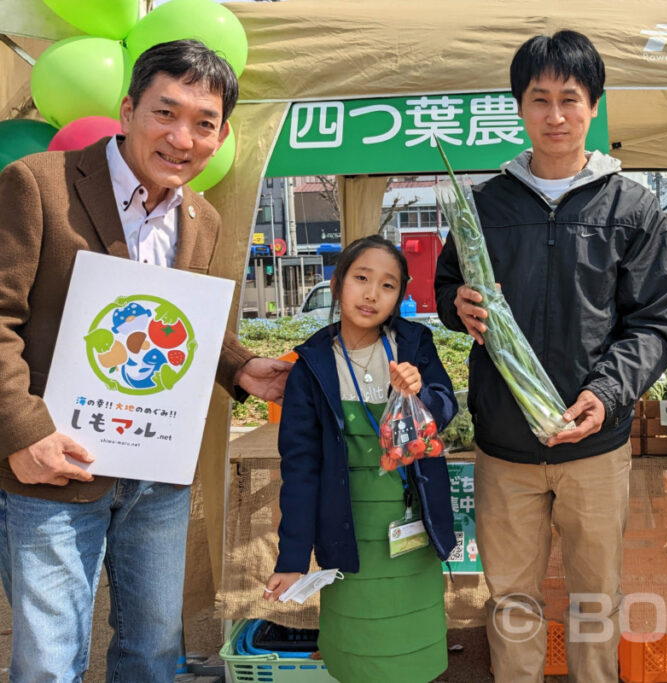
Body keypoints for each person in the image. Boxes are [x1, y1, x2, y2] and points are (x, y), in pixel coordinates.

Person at [0, 40, 292, 681]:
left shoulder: (201, 216)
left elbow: (178, 321)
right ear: (128, 110)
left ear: (219, 138)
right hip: (56, 466)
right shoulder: (38, 185)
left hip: (156, 472)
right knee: (50, 663)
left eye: (204, 123)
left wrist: (240, 367)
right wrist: (24, 432)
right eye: (167, 112)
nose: (181, 137)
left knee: (154, 652)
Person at [434, 30, 667, 682]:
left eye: (570, 99)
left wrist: (605, 393)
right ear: (519, 107)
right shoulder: (484, 205)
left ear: (594, 106)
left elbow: (656, 322)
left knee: (596, 601)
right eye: (539, 99)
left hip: (594, 447)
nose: (555, 115)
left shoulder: (632, 206)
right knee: (510, 600)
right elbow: (447, 285)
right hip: (504, 447)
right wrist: (454, 303)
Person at [265, 235, 457, 682]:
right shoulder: (311, 363)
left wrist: (419, 393)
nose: (372, 294)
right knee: (357, 651)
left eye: (388, 285)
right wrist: (291, 559)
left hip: (413, 526)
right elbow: (300, 470)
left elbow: (445, 409)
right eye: (362, 278)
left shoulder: (414, 343)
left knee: (412, 651)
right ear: (337, 283)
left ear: (400, 297)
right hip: (345, 534)